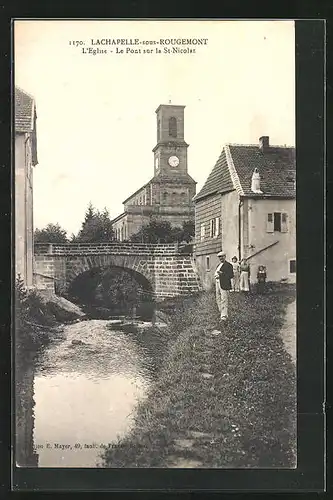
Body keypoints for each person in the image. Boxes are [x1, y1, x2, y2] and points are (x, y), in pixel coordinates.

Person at [214, 251, 234, 321]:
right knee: (218, 298)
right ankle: (221, 313)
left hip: (224, 284)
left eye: (222, 256)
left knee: (224, 299)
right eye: (219, 257)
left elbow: (231, 275)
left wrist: (222, 274)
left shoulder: (229, 265)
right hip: (217, 283)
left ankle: (224, 316)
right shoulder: (218, 265)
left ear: (225, 257)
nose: (221, 258)